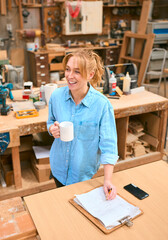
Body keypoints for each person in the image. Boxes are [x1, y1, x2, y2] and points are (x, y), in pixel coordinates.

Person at [47, 49, 119, 200]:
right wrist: (51, 129)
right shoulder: (56, 96)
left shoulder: (102, 105)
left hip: (83, 175)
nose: (69, 76)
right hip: (58, 168)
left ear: (90, 75)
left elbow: (109, 145)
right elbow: (50, 121)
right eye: (67, 69)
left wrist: (107, 180)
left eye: (77, 72)